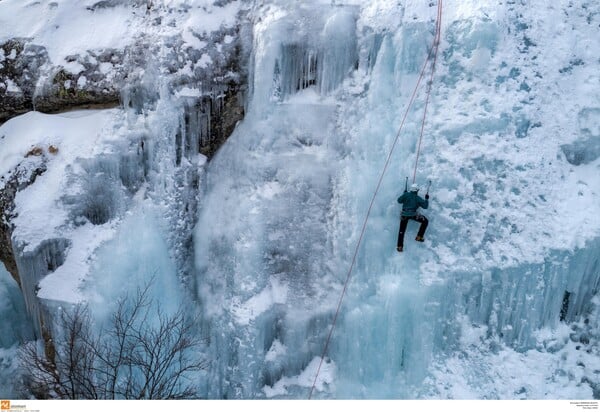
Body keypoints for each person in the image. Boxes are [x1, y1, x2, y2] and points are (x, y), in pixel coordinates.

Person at [396, 183, 429, 252]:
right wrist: (426, 199)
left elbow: (399, 201)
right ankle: (419, 236)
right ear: (416, 190)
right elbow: (425, 206)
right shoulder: (417, 198)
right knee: (425, 221)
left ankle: (400, 246)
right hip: (413, 215)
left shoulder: (406, 194)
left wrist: (404, 194)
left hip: (404, 215)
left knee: (401, 231)